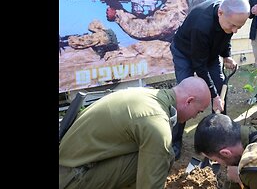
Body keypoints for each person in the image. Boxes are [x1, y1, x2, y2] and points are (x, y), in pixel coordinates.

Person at [59, 76, 211, 188]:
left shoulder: (146, 94)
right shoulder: (157, 122)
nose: (194, 117)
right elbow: (150, 185)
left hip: (69, 165)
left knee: (153, 154)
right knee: (163, 156)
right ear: (189, 101)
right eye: (198, 112)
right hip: (71, 179)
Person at [169, 0, 250, 159]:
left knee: (221, 90)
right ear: (220, 13)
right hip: (184, 52)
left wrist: (226, 55)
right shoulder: (202, 25)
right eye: (233, 26)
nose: (235, 30)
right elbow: (199, 66)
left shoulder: (230, 16)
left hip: (209, 53)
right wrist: (213, 96)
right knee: (186, 97)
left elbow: (225, 36)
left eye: (239, 27)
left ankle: (221, 137)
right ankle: (175, 141)